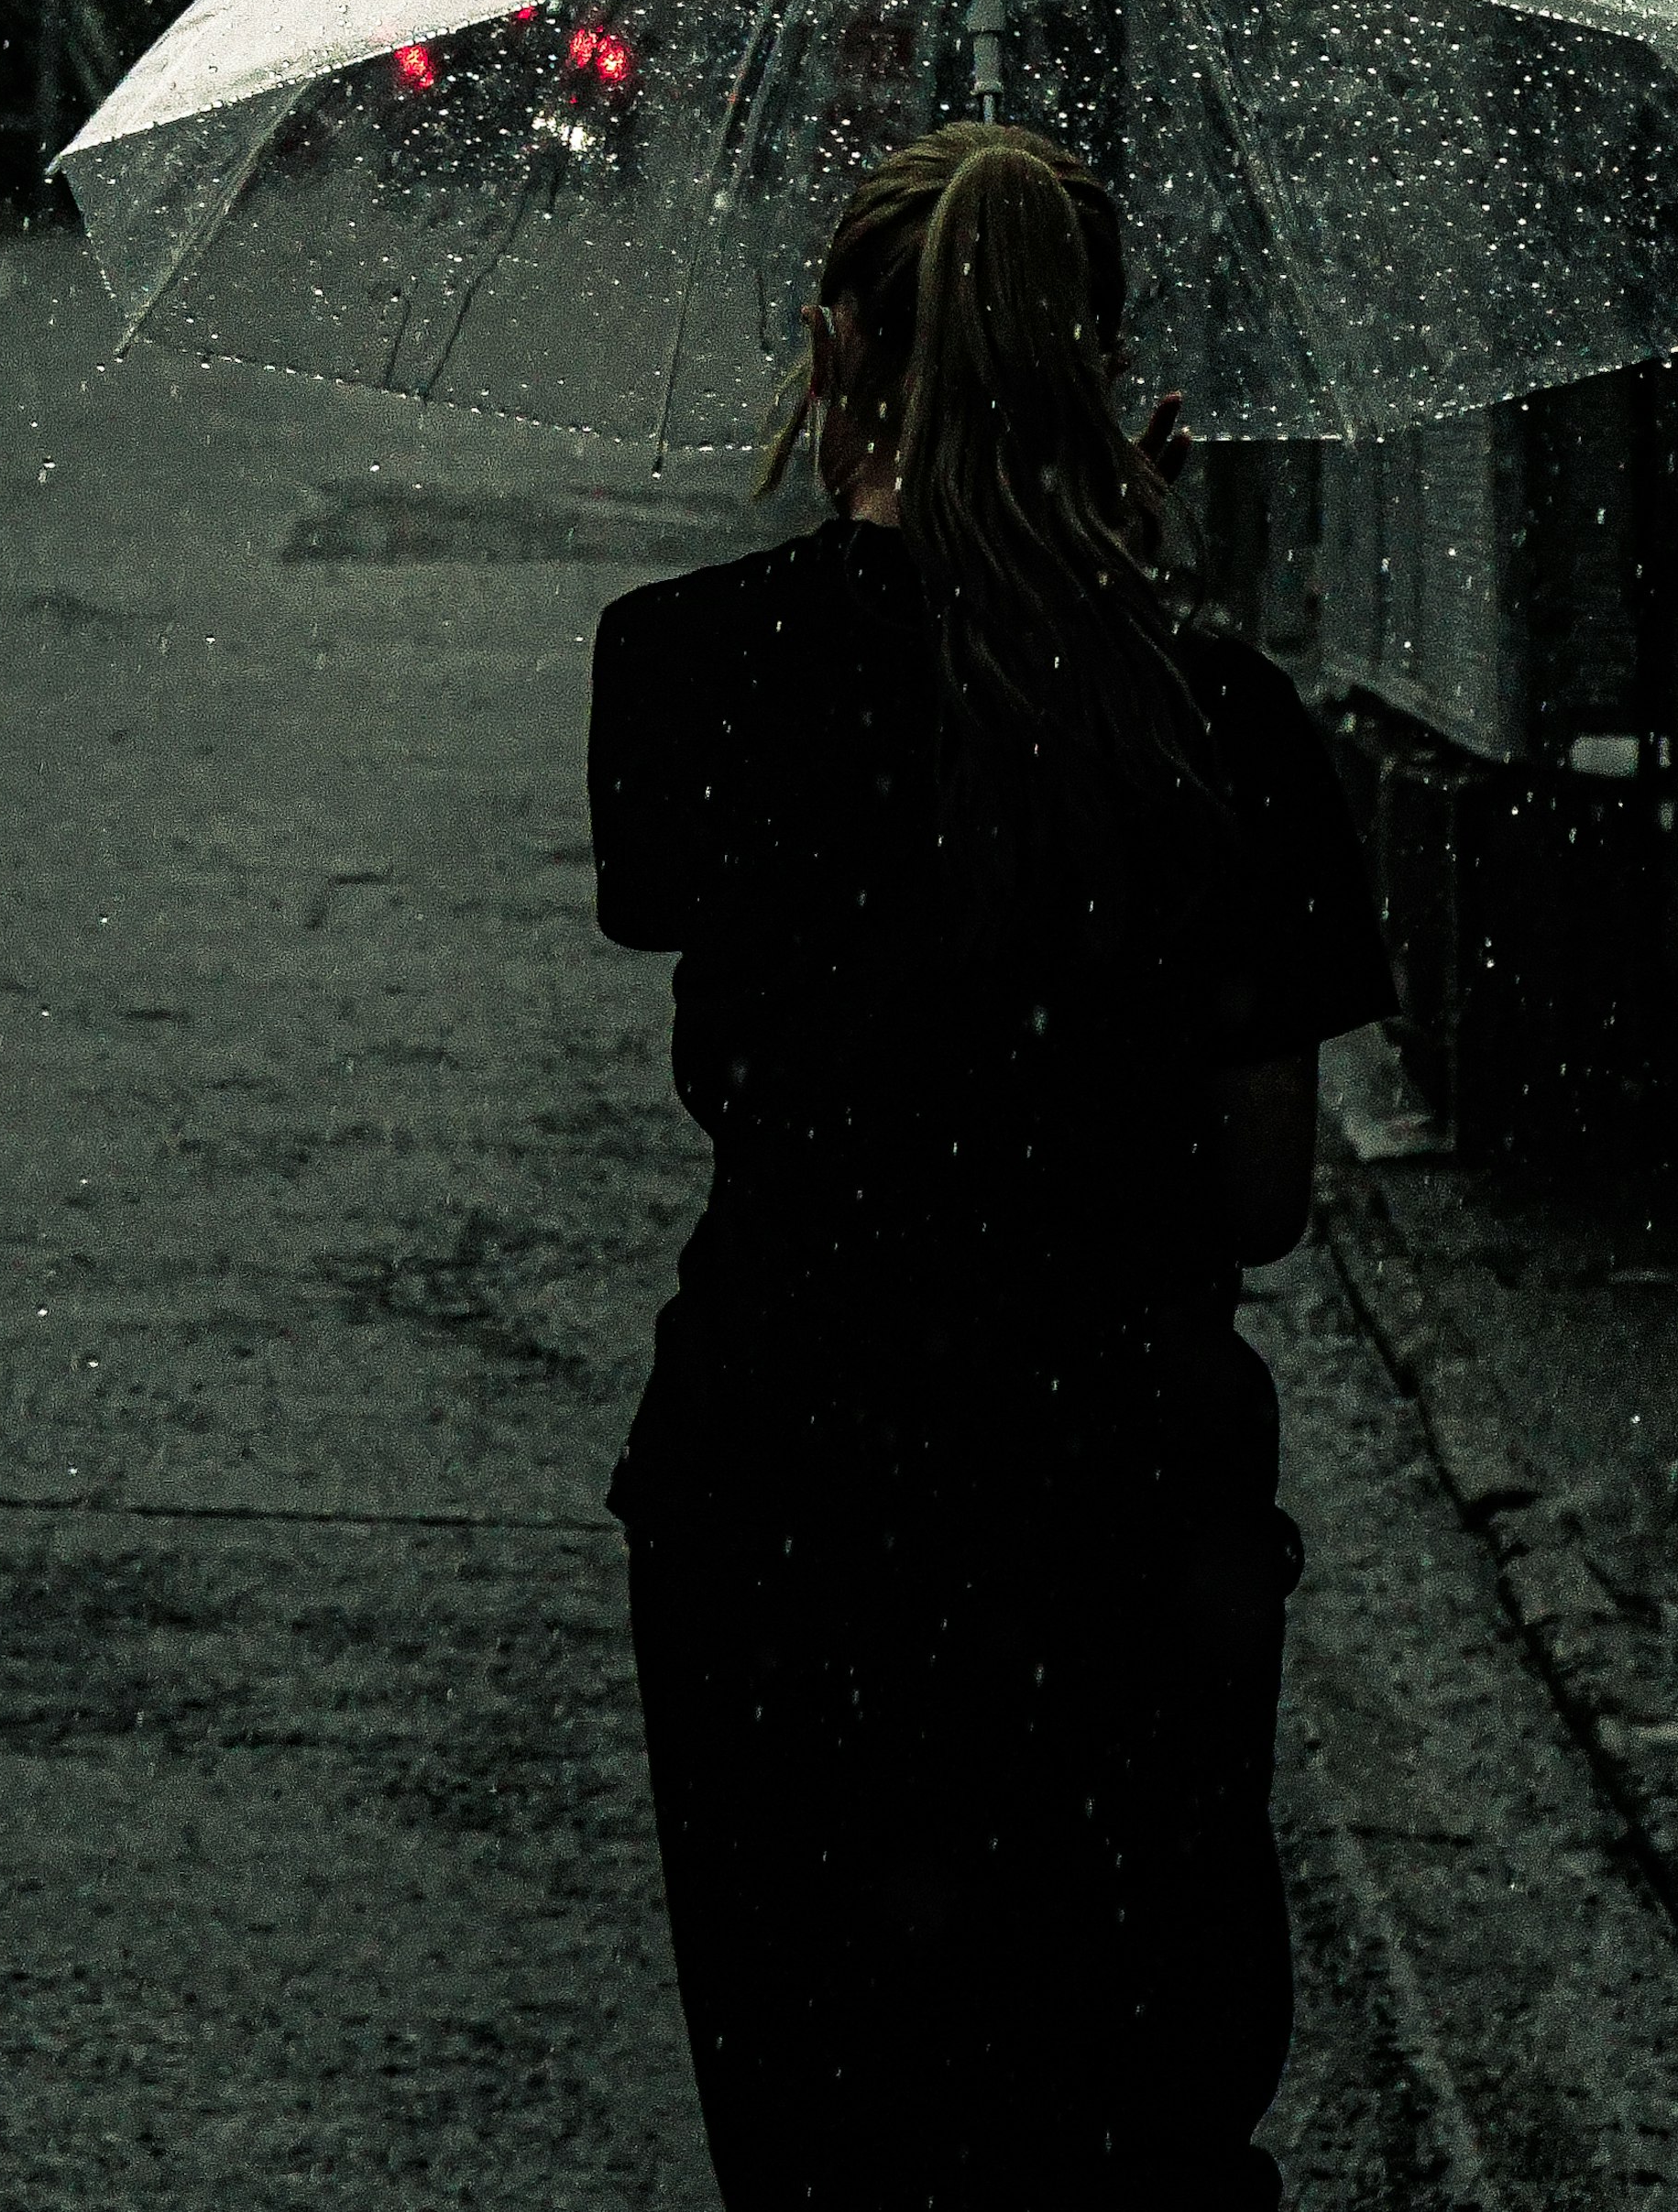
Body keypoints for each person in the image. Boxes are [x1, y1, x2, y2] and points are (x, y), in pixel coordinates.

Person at [588, 121, 1394, 2209]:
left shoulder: (699, 672)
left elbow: (750, 1024)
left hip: (787, 1487)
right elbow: (1256, 1193)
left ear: (837, 350)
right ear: (1099, 368)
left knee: (830, 2122)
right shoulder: (1215, 716)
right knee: (1126, 2120)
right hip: (1119, 1502)